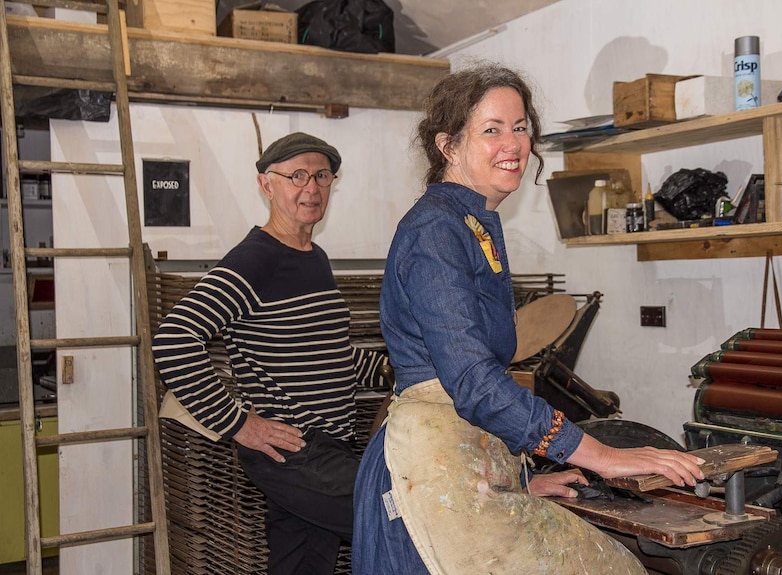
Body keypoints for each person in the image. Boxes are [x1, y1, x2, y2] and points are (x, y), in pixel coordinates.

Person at [352, 64, 705, 575]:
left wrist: (517, 481)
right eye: (491, 130)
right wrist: (602, 456)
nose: (513, 143)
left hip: (464, 467)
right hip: (427, 480)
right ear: (447, 146)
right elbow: (473, 383)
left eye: (520, 128)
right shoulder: (435, 231)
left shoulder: (473, 223)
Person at [153, 132, 369, 575]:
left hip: (324, 447)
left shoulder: (314, 257)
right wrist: (238, 424)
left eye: (322, 175)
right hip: (298, 452)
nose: (311, 187)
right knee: (398, 519)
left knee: (301, 564)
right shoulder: (255, 260)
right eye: (296, 176)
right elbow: (174, 340)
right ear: (266, 184)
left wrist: (391, 370)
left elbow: (327, 352)